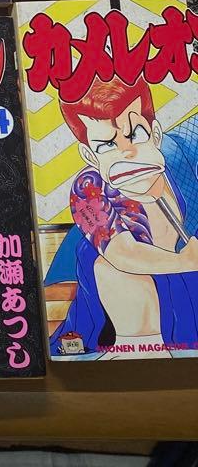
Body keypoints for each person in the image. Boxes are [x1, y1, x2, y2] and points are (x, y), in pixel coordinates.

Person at [48, 78, 198, 358]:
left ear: (155, 133)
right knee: (113, 270)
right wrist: (186, 261)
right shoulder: (89, 187)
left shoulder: (182, 155)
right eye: (106, 145)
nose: (126, 151)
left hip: (188, 289)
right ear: (89, 155)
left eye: (135, 134)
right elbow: (122, 253)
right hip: (120, 307)